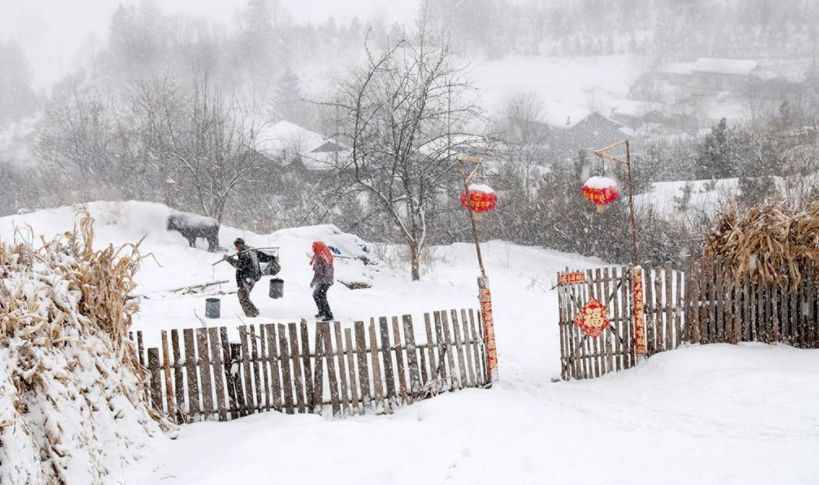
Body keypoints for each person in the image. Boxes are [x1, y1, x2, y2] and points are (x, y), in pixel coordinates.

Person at [226, 238, 261, 317]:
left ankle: (251, 314)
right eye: (236, 246)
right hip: (251, 278)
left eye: (237, 245)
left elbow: (240, 265)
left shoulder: (245, 253)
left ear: (240, 244)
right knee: (244, 296)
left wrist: (229, 259)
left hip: (247, 278)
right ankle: (254, 311)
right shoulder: (250, 251)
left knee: (242, 296)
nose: (237, 247)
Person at [310, 241, 334, 321]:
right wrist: (314, 281)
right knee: (316, 295)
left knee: (321, 295)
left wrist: (321, 279)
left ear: (318, 247)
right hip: (323, 280)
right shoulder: (319, 255)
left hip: (325, 280)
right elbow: (317, 272)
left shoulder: (323, 256)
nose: (313, 248)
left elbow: (324, 271)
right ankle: (322, 311)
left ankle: (328, 315)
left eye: (314, 247)